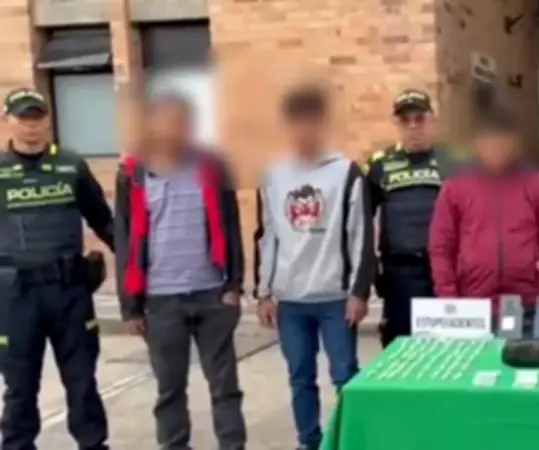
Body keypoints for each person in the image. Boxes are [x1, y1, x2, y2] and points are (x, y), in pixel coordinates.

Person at [114, 94, 247, 450]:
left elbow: (231, 226)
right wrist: (131, 306)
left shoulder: (213, 167)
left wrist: (234, 285)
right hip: (161, 301)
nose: (175, 129)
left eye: (182, 121)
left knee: (225, 387)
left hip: (212, 294)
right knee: (170, 390)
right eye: (167, 121)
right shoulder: (133, 174)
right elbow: (125, 240)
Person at [254, 84, 374, 450]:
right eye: (296, 122)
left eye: (311, 121)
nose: (303, 130)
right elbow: (267, 235)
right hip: (291, 300)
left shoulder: (347, 172)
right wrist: (264, 292)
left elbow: (360, 235)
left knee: (345, 376)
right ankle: (309, 441)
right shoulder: (273, 175)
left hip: (335, 298)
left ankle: (349, 442)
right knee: (300, 377)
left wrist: (358, 292)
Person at [0, 88, 114, 449]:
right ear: (8, 121)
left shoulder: (71, 166)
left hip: (69, 292)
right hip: (16, 297)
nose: (31, 126)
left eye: (38, 117)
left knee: (82, 382)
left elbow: (104, 222)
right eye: (23, 118)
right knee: (20, 386)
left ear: (48, 121)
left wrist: (139, 267)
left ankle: (93, 444)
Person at [428, 105, 539, 332]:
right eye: (489, 141)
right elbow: (441, 246)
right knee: (479, 358)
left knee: (529, 356)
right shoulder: (456, 186)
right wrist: (448, 295)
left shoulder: (536, 183)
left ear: (514, 143)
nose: (496, 148)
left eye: (503, 141)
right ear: (477, 143)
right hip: (472, 307)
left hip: (527, 305)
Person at [363, 89, 463, 347]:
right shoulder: (379, 165)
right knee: (400, 348)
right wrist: (370, 270)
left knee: (448, 347)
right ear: (396, 123)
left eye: (419, 118)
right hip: (400, 273)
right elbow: (361, 222)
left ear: (432, 120)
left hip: (445, 272)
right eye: (405, 120)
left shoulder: (453, 163)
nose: (413, 126)